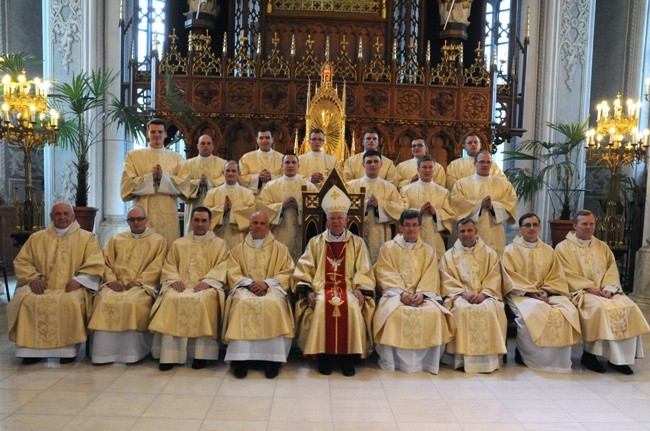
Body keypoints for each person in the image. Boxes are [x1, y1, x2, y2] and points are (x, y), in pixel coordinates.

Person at [293, 185, 376, 376]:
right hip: (322, 288)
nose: (336, 221)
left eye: (340, 218)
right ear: (326, 221)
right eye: (332, 218)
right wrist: (308, 291)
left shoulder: (357, 242)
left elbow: (364, 268)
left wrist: (359, 288)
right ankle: (325, 357)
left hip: (348, 288)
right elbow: (304, 268)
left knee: (353, 306)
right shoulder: (315, 242)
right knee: (322, 305)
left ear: (346, 220)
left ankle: (349, 358)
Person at [7, 202, 104, 364]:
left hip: (71, 288)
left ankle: (67, 351)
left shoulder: (87, 238)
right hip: (41, 287)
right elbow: (22, 262)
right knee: (26, 301)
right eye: (58, 214)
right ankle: (30, 352)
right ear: (51, 217)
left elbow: (95, 263)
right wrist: (32, 279)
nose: (62, 217)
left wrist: (79, 280)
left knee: (70, 302)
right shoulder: (37, 238)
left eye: (66, 214)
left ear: (73, 217)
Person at [556, 210, 650, 374]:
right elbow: (566, 273)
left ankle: (620, 360)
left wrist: (609, 289)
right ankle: (590, 355)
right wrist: (590, 288)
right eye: (584, 224)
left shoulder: (602, 246)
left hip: (606, 292)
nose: (588, 227)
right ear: (574, 225)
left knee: (629, 307)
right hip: (581, 292)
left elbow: (611, 271)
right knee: (599, 309)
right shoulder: (563, 248)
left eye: (591, 224)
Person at [373, 210, 455, 374]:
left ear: (420, 228)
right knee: (393, 315)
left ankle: (427, 363)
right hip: (395, 295)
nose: (411, 229)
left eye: (414, 225)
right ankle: (392, 362)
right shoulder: (388, 248)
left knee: (434, 314)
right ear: (400, 227)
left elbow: (431, 275)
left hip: (422, 296)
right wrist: (401, 293)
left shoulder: (428, 250)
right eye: (407, 226)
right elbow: (385, 272)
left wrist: (423, 293)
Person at [148, 206, 229, 371]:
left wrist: (209, 281)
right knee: (170, 298)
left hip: (206, 287)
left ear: (210, 222)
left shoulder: (220, 244)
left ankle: (201, 355)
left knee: (205, 299)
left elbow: (224, 265)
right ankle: (169, 355)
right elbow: (169, 265)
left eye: (204, 220)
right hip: (181, 285)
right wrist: (174, 279)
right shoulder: (179, 243)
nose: (200, 224)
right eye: (196, 220)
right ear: (191, 221)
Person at [502, 213, 582, 373]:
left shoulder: (549, 251)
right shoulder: (510, 251)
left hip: (548, 293)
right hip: (521, 295)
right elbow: (509, 277)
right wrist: (531, 293)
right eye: (527, 225)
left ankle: (559, 361)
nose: (531, 228)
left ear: (540, 228)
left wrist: (546, 291)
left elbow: (556, 275)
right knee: (534, 311)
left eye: (534, 225)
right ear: (520, 229)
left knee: (567, 311)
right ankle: (527, 356)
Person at [88, 206, 167, 364]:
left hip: (142, 287)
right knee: (103, 301)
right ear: (127, 221)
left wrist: (140, 281)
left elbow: (158, 266)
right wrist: (111, 281)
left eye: (139, 219)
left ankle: (131, 353)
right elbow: (104, 263)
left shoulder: (158, 240)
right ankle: (102, 353)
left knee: (132, 302)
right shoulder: (117, 239)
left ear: (146, 220)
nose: (136, 222)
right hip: (115, 285)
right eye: (132, 219)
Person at [223, 211, 295, 379]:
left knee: (274, 303)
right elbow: (232, 272)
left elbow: (287, 271)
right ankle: (240, 360)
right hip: (245, 288)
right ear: (250, 224)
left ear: (268, 226)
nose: (258, 226)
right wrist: (249, 283)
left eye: (262, 223)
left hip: (272, 287)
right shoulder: (238, 249)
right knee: (241, 303)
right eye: (255, 223)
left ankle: (273, 360)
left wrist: (267, 283)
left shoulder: (280, 249)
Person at [439, 217, 507, 373]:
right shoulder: (449, 256)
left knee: (489, 311)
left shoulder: (490, 254)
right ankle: (461, 359)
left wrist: (484, 294)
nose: (466, 234)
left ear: (477, 232)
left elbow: (494, 277)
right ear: (457, 233)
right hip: (459, 296)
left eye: (470, 230)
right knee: (461, 311)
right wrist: (463, 293)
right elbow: (446, 279)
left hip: (485, 296)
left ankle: (488, 361)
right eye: (462, 231)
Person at [121, 118, 188, 250]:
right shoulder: (133, 156)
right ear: (148, 133)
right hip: (144, 210)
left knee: (167, 248)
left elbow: (184, 185)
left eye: (160, 132)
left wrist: (163, 178)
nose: (156, 135)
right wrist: (150, 178)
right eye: (153, 132)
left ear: (165, 134)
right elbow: (127, 184)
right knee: (144, 249)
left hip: (167, 212)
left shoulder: (177, 158)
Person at [450, 150, 516, 256]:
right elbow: (456, 203)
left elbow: (510, 202)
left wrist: (493, 206)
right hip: (469, 233)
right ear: (474, 163)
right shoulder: (461, 184)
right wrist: (479, 205)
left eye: (488, 162)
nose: (485, 165)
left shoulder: (503, 184)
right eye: (482, 162)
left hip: (495, 232)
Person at [347, 150, 404, 263]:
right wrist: (365, 204)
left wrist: (380, 205)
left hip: (381, 231)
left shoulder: (389, 187)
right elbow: (343, 207)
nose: (372, 165)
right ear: (363, 165)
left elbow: (399, 208)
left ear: (381, 164)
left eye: (375, 161)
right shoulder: (351, 186)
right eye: (369, 162)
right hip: (357, 230)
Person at [258, 153, 318, 261]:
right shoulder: (271, 186)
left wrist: (299, 207)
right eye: (287, 162)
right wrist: (281, 207)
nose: (290, 165)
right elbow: (262, 207)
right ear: (282, 166)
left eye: (293, 162)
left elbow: (316, 210)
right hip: (278, 233)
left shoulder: (309, 186)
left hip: (300, 235)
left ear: (298, 166)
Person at [400, 154, 454, 259]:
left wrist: (435, 213)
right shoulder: (406, 190)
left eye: (430, 167)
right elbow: (401, 212)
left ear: (434, 170)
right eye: (424, 167)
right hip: (412, 237)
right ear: (418, 169)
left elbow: (450, 215)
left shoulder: (443, 192)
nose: (427, 170)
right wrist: (418, 211)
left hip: (434, 237)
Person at [180, 134, 227, 235]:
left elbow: (226, 181)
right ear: (197, 146)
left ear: (213, 146)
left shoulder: (223, 163)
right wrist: (198, 183)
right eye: (202, 143)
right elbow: (182, 183)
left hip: (215, 206)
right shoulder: (187, 164)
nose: (205, 145)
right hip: (194, 204)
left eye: (208, 143)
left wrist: (208, 183)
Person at [203, 160, 256, 249]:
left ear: (239, 173)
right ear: (223, 173)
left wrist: (233, 210)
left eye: (233, 171)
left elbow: (252, 214)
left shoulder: (248, 193)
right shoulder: (212, 193)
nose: (230, 173)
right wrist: (222, 210)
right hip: (217, 236)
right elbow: (204, 214)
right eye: (228, 171)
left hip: (239, 237)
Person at [238, 126, 284, 194]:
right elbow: (241, 178)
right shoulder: (246, 158)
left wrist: (271, 177)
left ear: (272, 139)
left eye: (267, 138)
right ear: (257, 140)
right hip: (253, 197)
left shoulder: (282, 158)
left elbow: (286, 178)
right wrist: (258, 178)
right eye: (261, 138)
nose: (264, 140)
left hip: (274, 196)